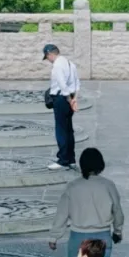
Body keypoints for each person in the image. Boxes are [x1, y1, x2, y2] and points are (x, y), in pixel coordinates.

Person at [48, 146, 125, 257]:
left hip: (78, 237)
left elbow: (62, 214)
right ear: (101, 165)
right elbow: (117, 210)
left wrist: (54, 237)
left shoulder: (72, 186)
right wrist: (118, 231)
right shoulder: (108, 185)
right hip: (102, 237)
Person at [43, 41, 80, 170]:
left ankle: (63, 160)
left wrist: (69, 100)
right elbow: (77, 83)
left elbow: (62, 85)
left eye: (47, 57)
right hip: (70, 97)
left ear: (49, 54)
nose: (48, 60)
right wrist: (74, 100)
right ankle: (71, 159)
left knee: (61, 130)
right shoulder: (70, 63)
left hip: (61, 99)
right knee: (69, 130)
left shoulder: (57, 65)